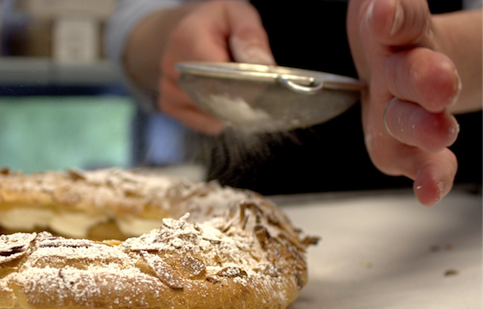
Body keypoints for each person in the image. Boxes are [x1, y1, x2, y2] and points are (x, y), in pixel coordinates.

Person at [105, 0, 483, 206]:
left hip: (445, 223)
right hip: (245, 211)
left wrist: (438, 56)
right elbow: (129, 27)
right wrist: (172, 35)